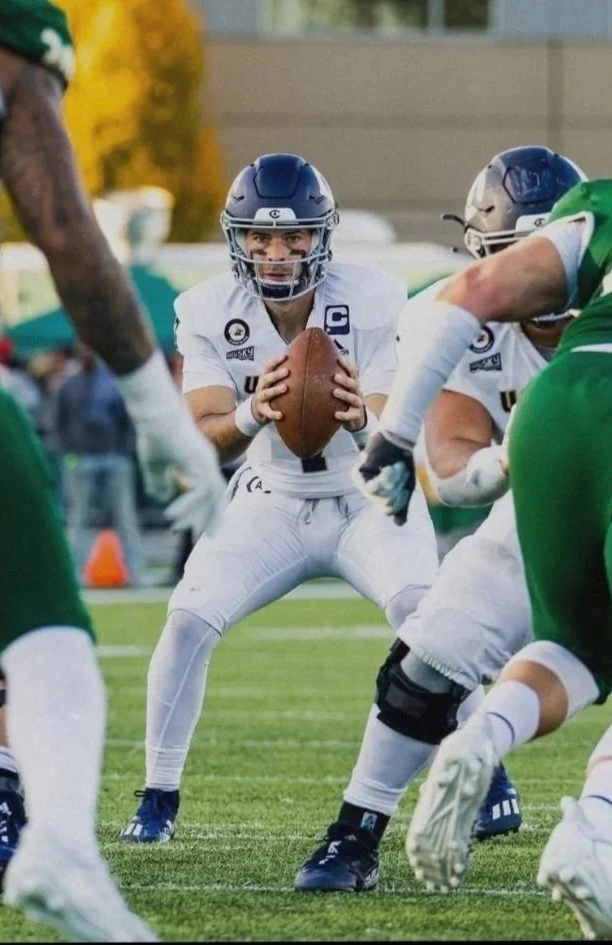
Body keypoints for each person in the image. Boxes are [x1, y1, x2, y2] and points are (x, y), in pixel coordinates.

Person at [0, 0, 225, 939]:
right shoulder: (11, 43)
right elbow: (68, 231)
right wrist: (162, 416)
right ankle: (62, 852)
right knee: (47, 635)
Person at [117, 151, 440, 844]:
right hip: (270, 492)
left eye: (293, 235)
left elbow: (392, 428)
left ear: (322, 236)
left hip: (365, 493)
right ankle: (157, 794)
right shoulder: (203, 308)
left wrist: (361, 420)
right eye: (260, 237)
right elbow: (202, 438)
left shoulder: (380, 296)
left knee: (431, 617)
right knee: (187, 620)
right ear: (237, 239)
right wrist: (249, 414)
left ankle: (482, 776)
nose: (275, 251)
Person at [293, 146, 586, 892]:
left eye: (540, 251)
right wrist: (511, 461)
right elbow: (453, 469)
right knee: (427, 663)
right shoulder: (455, 321)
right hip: (544, 507)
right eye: (510, 255)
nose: (533, 276)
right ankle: (356, 828)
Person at [355, 173, 612, 939]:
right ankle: (595, 832)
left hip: (554, 413)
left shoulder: (601, 204)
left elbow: (468, 289)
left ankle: (484, 732)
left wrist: (393, 432)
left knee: (581, 650)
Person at [56, 341, 147, 588]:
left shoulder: (114, 384)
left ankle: (137, 573)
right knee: (79, 518)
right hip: (82, 458)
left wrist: (124, 451)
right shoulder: (69, 385)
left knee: (125, 516)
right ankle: (73, 576)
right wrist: (69, 452)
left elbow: (130, 420)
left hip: (113, 456)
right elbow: (60, 422)